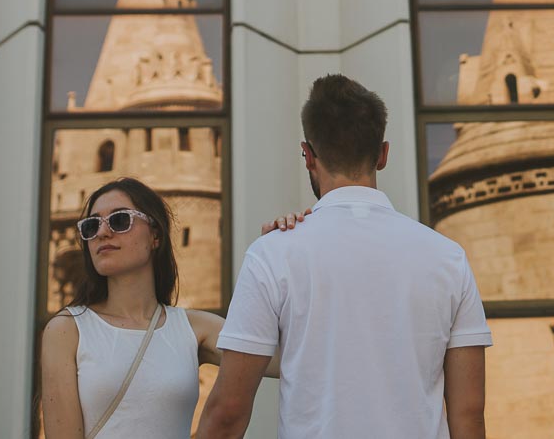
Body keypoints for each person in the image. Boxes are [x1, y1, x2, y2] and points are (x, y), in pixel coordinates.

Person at [195, 74, 491, 439]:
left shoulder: (273, 254)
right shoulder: (449, 258)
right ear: (383, 154)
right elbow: (468, 417)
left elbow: (227, 414)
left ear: (307, 155)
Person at [40, 177, 289, 438]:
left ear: (155, 235)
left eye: (119, 220)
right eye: (91, 226)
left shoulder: (192, 328)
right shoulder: (67, 330)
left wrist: (281, 254)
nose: (102, 232)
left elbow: (288, 356)